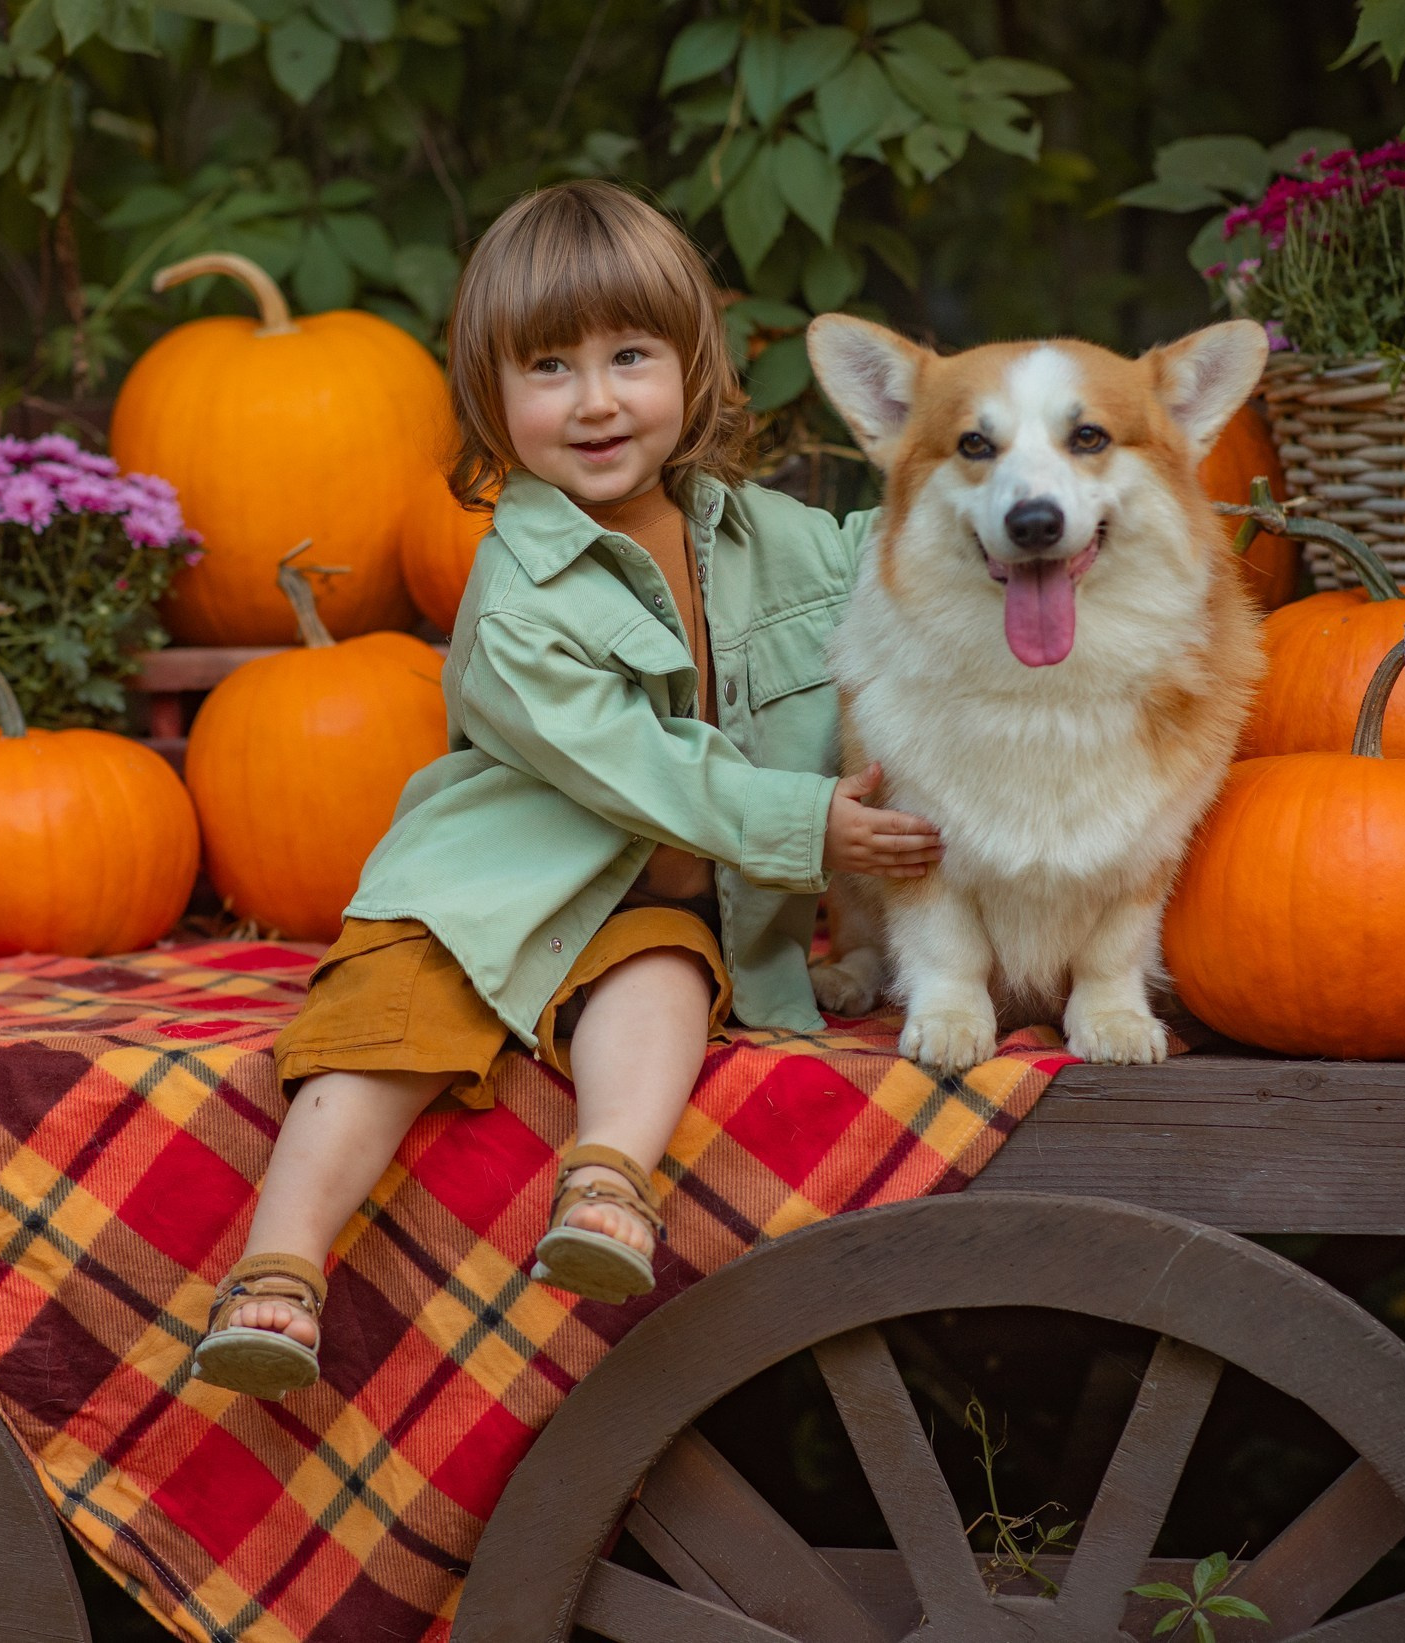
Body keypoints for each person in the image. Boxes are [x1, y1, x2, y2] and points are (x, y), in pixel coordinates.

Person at [192, 180, 942, 1400]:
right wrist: (806, 824)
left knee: (664, 980)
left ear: (693, 366)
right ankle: (276, 1268)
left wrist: (1002, 509)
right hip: (480, 895)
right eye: (549, 367)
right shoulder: (519, 598)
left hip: (650, 908)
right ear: (490, 397)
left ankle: (604, 1183)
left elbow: (887, 553)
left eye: (629, 356)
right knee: (381, 1030)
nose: (594, 400)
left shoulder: (767, 537)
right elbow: (633, 766)